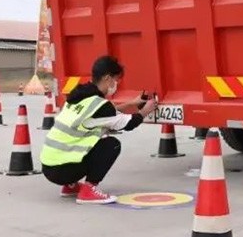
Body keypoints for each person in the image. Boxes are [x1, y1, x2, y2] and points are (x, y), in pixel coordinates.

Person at [40, 55, 158, 204]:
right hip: (63, 169)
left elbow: (103, 114)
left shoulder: (80, 96)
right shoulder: (99, 105)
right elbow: (128, 123)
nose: (116, 84)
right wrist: (145, 111)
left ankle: (70, 186)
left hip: (49, 167)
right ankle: (89, 189)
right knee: (111, 144)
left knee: (90, 142)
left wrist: (132, 103)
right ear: (107, 78)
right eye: (116, 79)